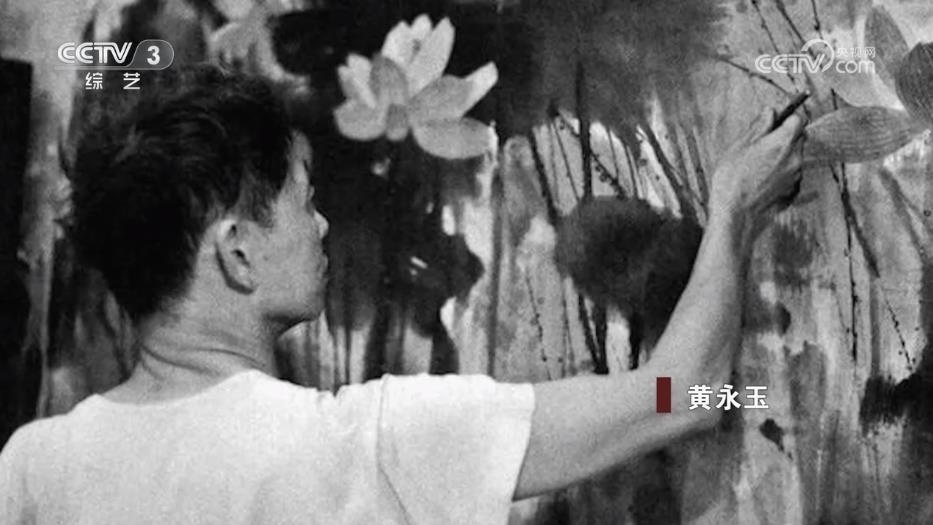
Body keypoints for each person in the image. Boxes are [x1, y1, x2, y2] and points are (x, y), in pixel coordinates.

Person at [0, 64, 805, 524]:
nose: (321, 225)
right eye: (304, 201)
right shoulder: (369, 442)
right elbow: (677, 393)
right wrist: (733, 207)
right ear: (238, 252)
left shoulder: (32, 465)